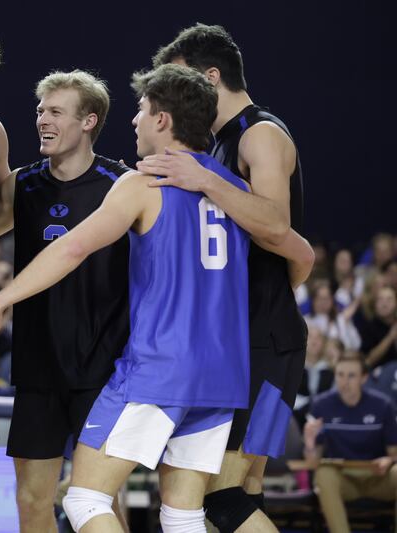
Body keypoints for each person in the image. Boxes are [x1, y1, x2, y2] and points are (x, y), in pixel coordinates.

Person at [0, 63, 252, 533]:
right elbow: (294, 253)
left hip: (146, 365)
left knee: (86, 498)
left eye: (141, 110)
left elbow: (73, 248)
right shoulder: (233, 190)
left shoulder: (139, 181)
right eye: (41, 110)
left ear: (162, 118)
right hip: (220, 372)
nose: (134, 120)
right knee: (183, 513)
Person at [137, 23, 314, 531]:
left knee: (223, 497)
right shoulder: (217, 144)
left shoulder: (261, 133)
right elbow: (297, 254)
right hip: (248, 337)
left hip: (266, 341)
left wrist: (205, 180)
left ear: (212, 77)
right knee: (246, 491)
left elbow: (277, 225)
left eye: (184, 79)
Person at [0, 69, 132, 533]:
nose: (42, 119)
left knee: (98, 500)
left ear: (88, 121)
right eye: (40, 110)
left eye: (56, 112)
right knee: (30, 498)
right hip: (39, 364)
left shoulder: (122, 184)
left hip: (104, 366)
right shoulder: (22, 184)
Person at [304, 351, 397, 533]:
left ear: (364, 378)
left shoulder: (383, 405)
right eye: (340, 375)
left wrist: (389, 460)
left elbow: (394, 453)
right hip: (343, 478)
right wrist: (309, 443)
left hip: (378, 477)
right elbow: (312, 461)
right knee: (323, 474)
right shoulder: (321, 405)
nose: (344, 381)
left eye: (351, 376)